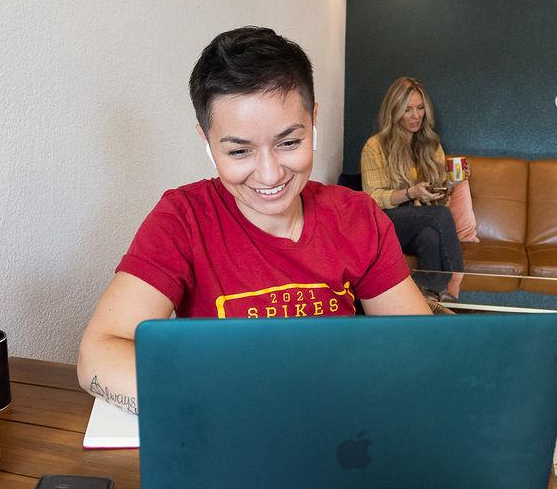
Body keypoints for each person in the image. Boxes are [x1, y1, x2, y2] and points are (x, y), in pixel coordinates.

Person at [77, 27, 432, 413]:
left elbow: (421, 348)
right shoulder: (183, 219)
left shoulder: (357, 217)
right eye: (240, 151)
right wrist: (215, 403)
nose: (269, 175)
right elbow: (98, 353)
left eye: (289, 143)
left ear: (313, 120)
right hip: (225, 430)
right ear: (208, 142)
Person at [360, 77, 465, 299]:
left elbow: (437, 206)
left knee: (430, 236)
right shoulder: (375, 146)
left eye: (419, 108)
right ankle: (456, 277)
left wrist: (448, 188)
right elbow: (372, 198)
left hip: (418, 222)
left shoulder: (431, 145)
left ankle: (430, 294)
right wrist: (410, 192)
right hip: (385, 222)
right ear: (394, 111)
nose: (416, 116)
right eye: (407, 110)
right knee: (441, 216)